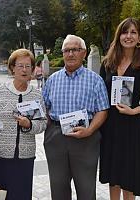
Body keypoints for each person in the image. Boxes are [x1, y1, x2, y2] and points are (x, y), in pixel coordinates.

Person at [42, 34, 109, 200]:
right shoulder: (52, 80)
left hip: (86, 138)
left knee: (86, 189)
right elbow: (44, 107)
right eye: (67, 50)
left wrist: (90, 130)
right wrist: (51, 130)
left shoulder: (95, 80)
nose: (70, 54)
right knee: (58, 189)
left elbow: (103, 110)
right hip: (56, 138)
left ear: (84, 53)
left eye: (75, 50)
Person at [99, 17, 140, 200]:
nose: (129, 36)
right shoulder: (107, 62)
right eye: (125, 32)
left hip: (132, 125)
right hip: (110, 125)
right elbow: (100, 93)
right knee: (113, 173)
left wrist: (135, 110)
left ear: (139, 37)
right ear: (119, 36)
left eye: (133, 32)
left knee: (128, 174)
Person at [0, 48, 47, 200]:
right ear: (12, 68)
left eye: (28, 66)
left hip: (25, 157)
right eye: (20, 66)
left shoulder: (36, 95)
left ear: (32, 69)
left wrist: (29, 124)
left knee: (21, 195)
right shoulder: (0, 92)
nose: (24, 70)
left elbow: (43, 124)